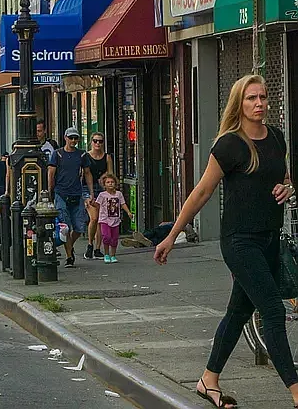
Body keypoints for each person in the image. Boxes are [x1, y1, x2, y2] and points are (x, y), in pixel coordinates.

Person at [156, 75, 298, 408]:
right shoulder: (229, 145)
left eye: (263, 97)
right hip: (239, 242)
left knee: (237, 313)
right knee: (273, 311)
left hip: (269, 240)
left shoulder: (277, 137)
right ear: (239, 103)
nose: (259, 104)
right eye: (251, 98)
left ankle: (209, 380)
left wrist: (288, 188)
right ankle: (295, 391)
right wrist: (172, 235)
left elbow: (284, 179)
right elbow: (202, 191)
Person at [48, 128, 87, 268]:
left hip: (77, 193)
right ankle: (69, 257)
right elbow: (51, 173)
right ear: (65, 138)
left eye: (76, 138)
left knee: (80, 227)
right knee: (65, 228)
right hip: (61, 193)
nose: (73, 141)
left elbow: (87, 173)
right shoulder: (57, 154)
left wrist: (89, 193)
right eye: (71, 138)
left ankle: (70, 246)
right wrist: (50, 192)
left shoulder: (82, 155)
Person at [82, 133, 112, 260]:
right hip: (87, 188)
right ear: (91, 142)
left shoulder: (107, 157)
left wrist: (105, 178)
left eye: (100, 141)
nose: (98, 144)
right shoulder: (86, 156)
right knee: (94, 218)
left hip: (101, 188)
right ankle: (90, 244)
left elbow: (110, 173)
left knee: (101, 219)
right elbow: (84, 173)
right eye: (95, 141)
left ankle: (97, 248)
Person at [94, 173, 131, 263]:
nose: (110, 184)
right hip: (104, 220)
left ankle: (113, 255)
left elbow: (123, 204)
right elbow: (96, 205)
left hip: (115, 220)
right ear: (104, 184)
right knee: (106, 237)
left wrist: (128, 212)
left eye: (112, 182)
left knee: (114, 239)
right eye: (108, 182)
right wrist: (90, 203)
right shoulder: (102, 195)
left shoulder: (119, 194)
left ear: (115, 183)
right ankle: (106, 254)